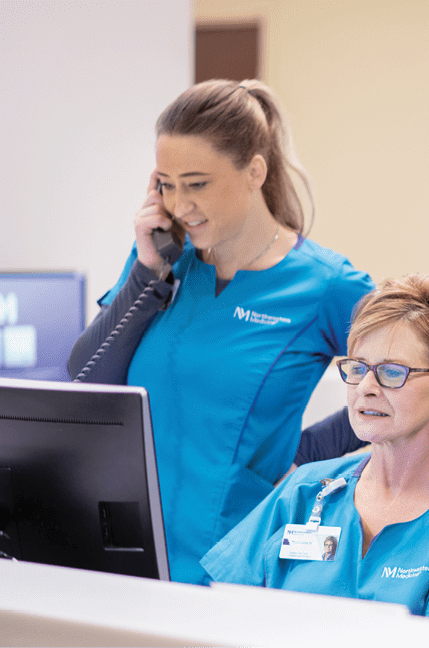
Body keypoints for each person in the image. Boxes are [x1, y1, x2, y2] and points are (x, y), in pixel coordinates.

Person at [66, 80, 374, 584]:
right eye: (166, 185)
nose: (179, 205)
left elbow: (416, 375)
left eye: (197, 184)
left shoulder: (326, 285)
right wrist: (147, 272)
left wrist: (305, 456)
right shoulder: (162, 264)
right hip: (123, 556)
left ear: (255, 172)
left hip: (235, 565)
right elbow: (87, 379)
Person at [201, 274, 429, 627]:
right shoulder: (305, 489)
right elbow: (215, 614)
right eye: (358, 368)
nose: (366, 387)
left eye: (392, 372)